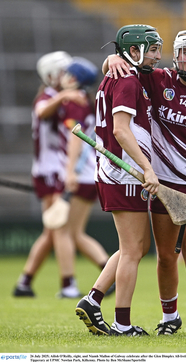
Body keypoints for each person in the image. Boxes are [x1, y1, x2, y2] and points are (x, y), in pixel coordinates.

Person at [103, 29, 186, 336]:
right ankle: (169, 318)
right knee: (166, 255)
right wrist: (111, 58)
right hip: (164, 183)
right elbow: (124, 65)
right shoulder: (157, 79)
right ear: (175, 55)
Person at [75, 24, 163, 336]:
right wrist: (147, 169)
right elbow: (121, 131)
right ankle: (122, 323)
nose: (156, 56)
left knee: (133, 247)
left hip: (119, 174)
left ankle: (92, 300)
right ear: (135, 50)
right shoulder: (127, 81)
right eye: (151, 49)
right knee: (132, 251)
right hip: (123, 174)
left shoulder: (124, 76)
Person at [13, 52, 113, 298]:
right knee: (58, 230)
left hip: (74, 174)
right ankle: (24, 283)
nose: (63, 76)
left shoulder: (71, 101)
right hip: (86, 173)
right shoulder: (75, 98)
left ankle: (74, 284)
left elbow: (74, 139)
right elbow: (43, 112)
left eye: (67, 73)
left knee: (64, 232)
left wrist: (69, 172)